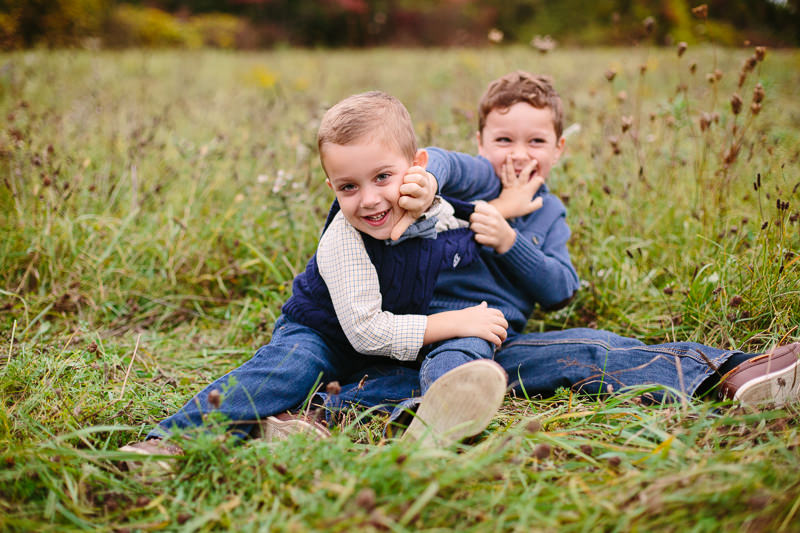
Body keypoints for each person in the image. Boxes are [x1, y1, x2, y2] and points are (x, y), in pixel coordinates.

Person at [318, 70, 800, 423]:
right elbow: (438, 161)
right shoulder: (469, 186)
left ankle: (732, 374)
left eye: (536, 140)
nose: (519, 153)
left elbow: (560, 290)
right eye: (503, 139)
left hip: (494, 341)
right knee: (445, 364)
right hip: (423, 325)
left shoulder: (550, 214)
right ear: (480, 142)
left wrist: (511, 243)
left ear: (558, 149)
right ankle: (383, 404)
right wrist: (427, 183)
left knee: (591, 350)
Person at [120, 89, 541, 460]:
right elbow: (367, 332)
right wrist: (452, 321)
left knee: (409, 378)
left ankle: (299, 419)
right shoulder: (344, 238)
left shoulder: (433, 211)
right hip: (322, 332)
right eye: (348, 187)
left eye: (382, 177)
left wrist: (509, 207)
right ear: (332, 187)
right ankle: (169, 442)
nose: (370, 200)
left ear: (416, 167)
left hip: (379, 347)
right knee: (289, 370)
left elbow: (464, 235)